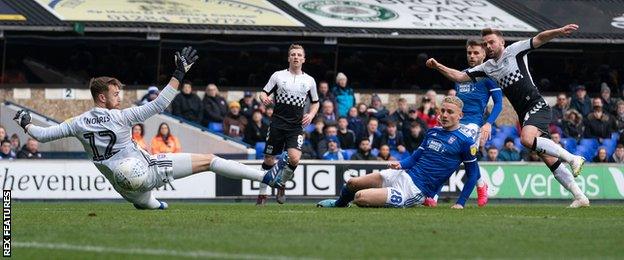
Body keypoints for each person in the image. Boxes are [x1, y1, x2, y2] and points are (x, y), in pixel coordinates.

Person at [12, 47, 288, 210]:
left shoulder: (77, 122)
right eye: (115, 94)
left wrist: (25, 121)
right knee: (210, 161)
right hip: (142, 171)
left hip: (124, 188)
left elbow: (41, 135)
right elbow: (160, 104)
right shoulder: (121, 117)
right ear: (102, 98)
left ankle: (154, 205)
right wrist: (179, 73)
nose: (120, 98)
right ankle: (267, 179)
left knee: (149, 204)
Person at [426, 25, 588, 207]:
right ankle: (580, 197)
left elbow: (540, 38)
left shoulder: (515, 51)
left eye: (492, 42)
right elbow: (459, 76)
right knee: (549, 158)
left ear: (502, 42)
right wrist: (437, 66)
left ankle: (574, 159)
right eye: (486, 44)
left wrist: (558, 32)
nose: (488, 46)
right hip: (523, 113)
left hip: (536, 105)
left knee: (527, 139)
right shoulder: (487, 68)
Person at [317, 96, 480, 209]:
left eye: (450, 112)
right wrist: (401, 164)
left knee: (360, 197)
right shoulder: (432, 132)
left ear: (460, 115)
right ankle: (340, 204)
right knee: (352, 183)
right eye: (442, 111)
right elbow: (417, 156)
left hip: (415, 190)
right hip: (402, 173)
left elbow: (473, 174)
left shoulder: (465, 141)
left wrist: (461, 202)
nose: (444, 115)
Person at [257, 44, 319, 205]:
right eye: (293, 54)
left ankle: (281, 183)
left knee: (295, 159)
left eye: (299, 54)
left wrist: (311, 114)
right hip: (277, 123)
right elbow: (263, 92)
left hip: (295, 126)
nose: (296, 57)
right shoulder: (278, 76)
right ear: (289, 58)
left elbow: (316, 102)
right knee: (269, 159)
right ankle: (262, 194)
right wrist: (263, 97)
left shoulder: (309, 80)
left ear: (304, 59)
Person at [453, 38, 504, 206]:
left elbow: (498, 103)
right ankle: (481, 184)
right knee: (451, 157)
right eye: (469, 53)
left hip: (474, 125)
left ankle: (463, 199)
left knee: (466, 159)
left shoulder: (489, 76)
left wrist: (488, 123)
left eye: (476, 53)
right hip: (456, 123)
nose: (472, 56)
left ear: (484, 54)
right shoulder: (461, 76)